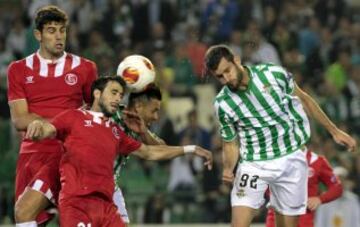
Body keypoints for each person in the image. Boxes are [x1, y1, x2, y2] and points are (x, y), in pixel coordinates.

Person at [25, 76, 213, 227]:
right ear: (97, 94)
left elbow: (151, 151)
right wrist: (37, 126)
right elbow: (48, 128)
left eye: (120, 94)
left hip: (106, 197)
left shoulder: (116, 130)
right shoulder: (75, 117)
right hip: (77, 196)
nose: (117, 98)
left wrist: (190, 148)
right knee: (24, 211)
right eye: (114, 93)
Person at [203, 44, 356, 227]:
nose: (226, 78)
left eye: (227, 70)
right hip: (254, 163)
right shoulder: (223, 103)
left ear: (237, 60)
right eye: (220, 76)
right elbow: (230, 142)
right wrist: (229, 167)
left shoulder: (273, 74)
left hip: (290, 158)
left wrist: (334, 131)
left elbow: (305, 100)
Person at [7, 5, 97, 227]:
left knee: (31, 213)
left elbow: (94, 111)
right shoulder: (18, 69)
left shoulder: (85, 68)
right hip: (32, 155)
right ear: (38, 34)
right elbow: (19, 119)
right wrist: (59, 124)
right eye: (51, 30)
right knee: (28, 219)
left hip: (68, 155)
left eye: (62, 30)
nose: (58, 36)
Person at [112, 84, 166, 225]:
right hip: (84, 183)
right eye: (154, 111)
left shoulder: (138, 127)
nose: (156, 117)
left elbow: (163, 150)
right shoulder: (111, 113)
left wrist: (144, 133)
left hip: (110, 186)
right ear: (139, 106)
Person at [266, 148, 343, 227]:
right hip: (277, 216)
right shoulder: (275, 158)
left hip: (303, 219)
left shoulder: (316, 160)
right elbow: (262, 182)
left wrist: (320, 199)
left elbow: (337, 187)